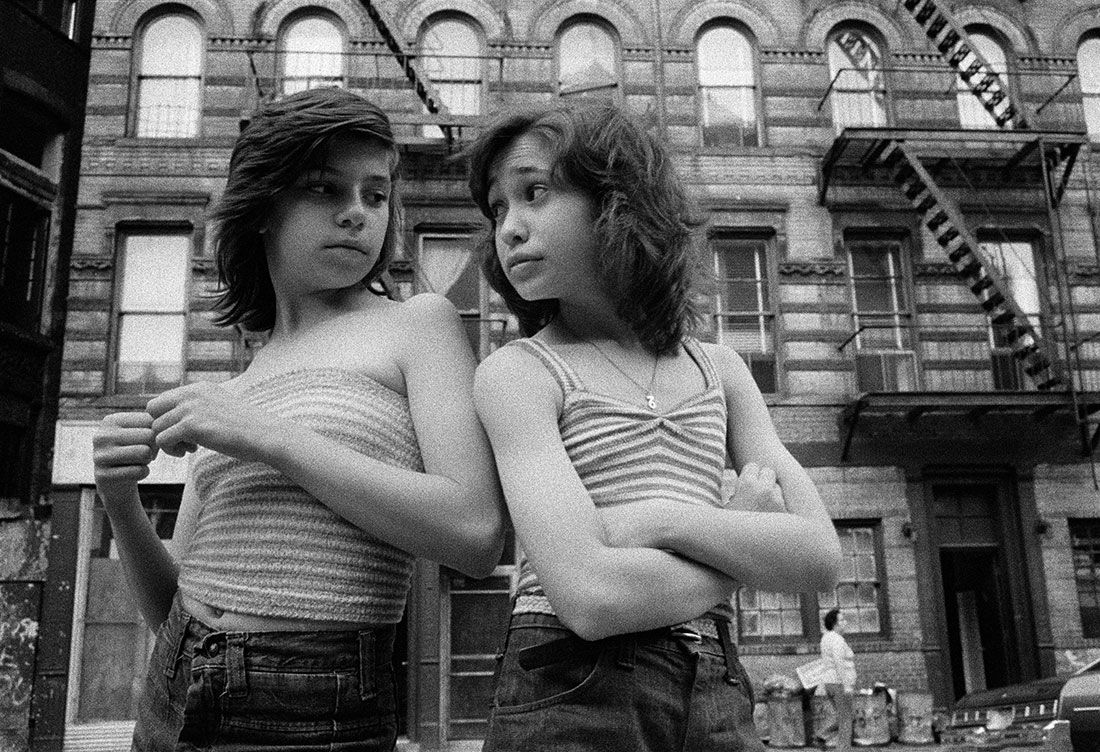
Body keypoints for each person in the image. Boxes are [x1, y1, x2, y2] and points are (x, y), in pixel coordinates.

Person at [92, 87, 505, 751]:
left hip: (318, 699)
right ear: (263, 207)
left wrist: (272, 439)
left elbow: (476, 532)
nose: (356, 214)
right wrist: (119, 501)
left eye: (375, 194)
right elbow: (172, 605)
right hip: (171, 687)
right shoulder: (246, 377)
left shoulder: (416, 326)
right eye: (323, 188)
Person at [466, 100, 843, 752]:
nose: (510, 227)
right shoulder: (519, 375)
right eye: (498, 208)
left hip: (715, 681)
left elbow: (819, 558)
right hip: (569, 681)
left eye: (534, 193)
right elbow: (591, 598)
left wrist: (661, 522)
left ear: (617, 202)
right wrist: (743, 540)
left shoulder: (720, 371)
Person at [818, 608, 858, 749]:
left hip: (830, 682)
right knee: (846, 719)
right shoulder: (837, 640)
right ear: (835, 624)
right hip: (839, 683)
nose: (845, 623)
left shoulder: (826, 638)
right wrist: (846, 685)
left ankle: (823, 734)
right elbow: (839, 662)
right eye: (842, 620)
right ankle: (842, 749)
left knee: (842, 716)